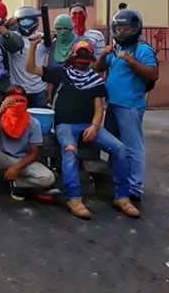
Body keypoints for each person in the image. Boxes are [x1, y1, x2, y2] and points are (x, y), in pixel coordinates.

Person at [26, 37, 140, 219]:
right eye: (79, 57)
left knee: (120, 148)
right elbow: (31, 69)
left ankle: (122, 197)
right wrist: (33, 46)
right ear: (72, 57)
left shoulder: (95, 80)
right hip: (65, 125)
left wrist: (94, 127)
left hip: (88, 125)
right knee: (70, 150)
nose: (82, 62)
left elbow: (99, 109)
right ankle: (73, 198)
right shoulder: (61, 73)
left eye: (85, 57)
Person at [95, 9, 158, 203]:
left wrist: (131, 61)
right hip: (112, 104)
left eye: (126, 28)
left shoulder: (142, 50)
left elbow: (153, 74)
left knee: (133, 147)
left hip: (130, 106)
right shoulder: (116, 48)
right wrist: (103, 55)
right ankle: (117, 180)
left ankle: (134, 187)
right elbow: (98, 68)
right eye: (118, 28)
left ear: (135, 29)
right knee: (115, 147)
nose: (121, 32)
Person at [0, 85, 55, 213]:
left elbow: (34, 153)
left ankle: (18, 184)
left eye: (21, 100)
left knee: (48, 177)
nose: (17, 104)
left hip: (20, 160)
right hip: (0, 157)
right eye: (13, 100)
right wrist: (0, 114)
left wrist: (16, 168)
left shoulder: (33, 122)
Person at [7, 6, 48, 108]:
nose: (26, 24)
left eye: (28, 21)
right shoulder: (12, 38)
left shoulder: (42, 38)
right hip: (18, 89)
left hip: (39, 89)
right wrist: (7, 23)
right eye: (23, 21)